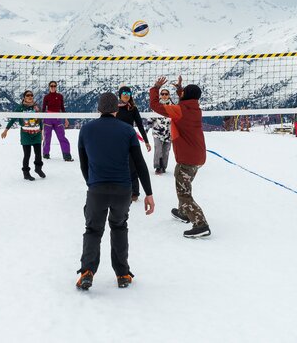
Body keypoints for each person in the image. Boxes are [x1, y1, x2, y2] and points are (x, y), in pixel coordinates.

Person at [75, 92, 154, 290]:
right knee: (119, 228)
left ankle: (87, 272)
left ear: (99, 109)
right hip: (122, 189)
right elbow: (140, 163)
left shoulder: (86, 130)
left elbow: (84, 164)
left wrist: (91, 183)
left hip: (97, 189)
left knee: (93, 230)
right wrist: (149, 193)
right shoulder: (127, 130)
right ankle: (123, 274)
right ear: (116, 110)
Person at [149, 76, 210, 238]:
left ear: (186, 96)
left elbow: (155, 105)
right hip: (198, 157)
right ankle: (184, 212)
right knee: (184, 184)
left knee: (183, 193)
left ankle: (200, 224)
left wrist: (155, 88)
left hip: (188, 158)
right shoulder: (195, 108)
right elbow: (185, 100)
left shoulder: (179, 110)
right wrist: (180, 89)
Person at [115, 85, 151, 201]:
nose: (126, 95)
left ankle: (134, 192)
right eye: (124, 93)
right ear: (120, 95)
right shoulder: (114, 108)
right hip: (117, 140)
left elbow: (140, 125)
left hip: (130, 140)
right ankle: (119, 189)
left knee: (132, 166)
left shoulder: (133, 108)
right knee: (117, 165)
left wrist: (146, 141)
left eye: (128, 93)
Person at [2, 90, 46, 181]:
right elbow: (13, 119)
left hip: (37, 133)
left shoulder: (37, 107)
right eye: (27, 95)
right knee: (27, 155)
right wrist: (6, 130)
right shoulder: (20, 108)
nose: (30, 97)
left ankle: (38, 169)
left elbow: (40, 120)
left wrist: (42, 133)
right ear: (24, 97)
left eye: (31, 95)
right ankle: (26, 173)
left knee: (38, 154)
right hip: (25, 134)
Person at [41, 80, 73, 161]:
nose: (53, 87)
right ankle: (46, 154)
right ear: (49, 87)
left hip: (58, 118)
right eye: (51, 86)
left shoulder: (60, 96)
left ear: (56, 87)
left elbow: (62, 108)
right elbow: (43, 109)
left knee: (62, 137)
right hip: (48, 118)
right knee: (47, 137)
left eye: (54, 86)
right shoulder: (46, 97)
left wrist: (66, 119)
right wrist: (41, 120)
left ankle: (67, 156)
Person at [150, 87, 173, 174]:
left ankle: (163, 166)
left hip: (169, 133)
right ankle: (157, 167)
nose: (164, 95)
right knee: (158, 149)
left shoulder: (173, 106)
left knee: (166, 150)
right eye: (162, 94)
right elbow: (150, 119)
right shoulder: (156, 106)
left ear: (169, 96)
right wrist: (146, 130)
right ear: (160, 95)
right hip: (157, 132)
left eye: (166, 94)